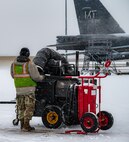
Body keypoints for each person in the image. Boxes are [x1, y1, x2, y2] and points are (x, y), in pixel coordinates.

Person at [11, 47, 45, 132]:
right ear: (28, 54)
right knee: (29, 108)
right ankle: (26, 125)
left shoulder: (13, 64)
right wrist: (42, 77)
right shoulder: (29, 64)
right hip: (29, 90)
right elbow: (36, 77)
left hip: (18, 90)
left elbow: (13, 75)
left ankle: (22, 124)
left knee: (21, 107)